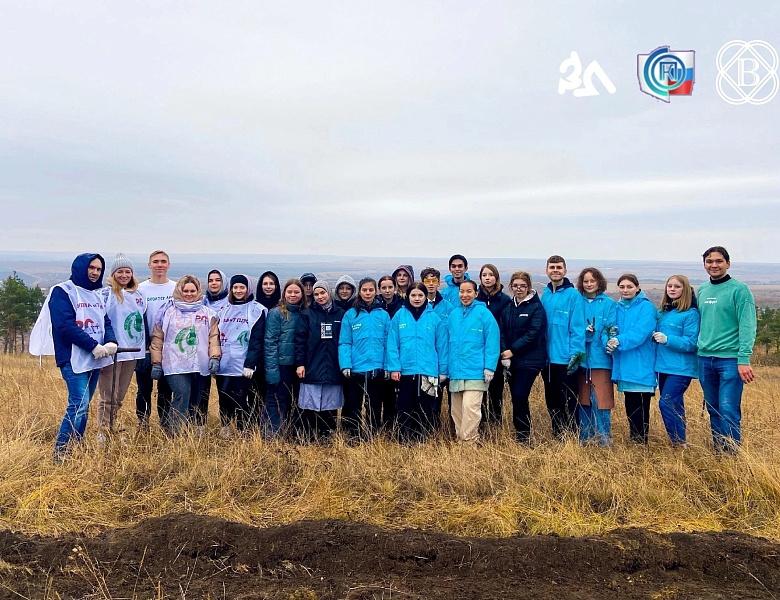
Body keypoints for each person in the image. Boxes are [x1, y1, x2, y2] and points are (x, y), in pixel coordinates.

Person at [43, 253, 118, 462]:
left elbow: (106, 321)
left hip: (96, 357)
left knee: (84, 405)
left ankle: (75, 446)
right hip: (73, 357)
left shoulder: (96, 294)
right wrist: (92, 345)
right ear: (80, 268)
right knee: (78, 403)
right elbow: (64, 326)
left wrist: (111, 341)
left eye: (98, 269)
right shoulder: (62, 291)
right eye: (91, 268)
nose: (94, 272)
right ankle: (61, 453)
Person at [697, 246, 757, 454]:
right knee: (713, 409)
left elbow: (748, 325)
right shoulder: (703, 289)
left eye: (719, 261)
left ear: (728, 263)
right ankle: (719, 452)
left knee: (728, 409)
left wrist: (743, 358)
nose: (714, 265)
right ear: (704, 264)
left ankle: (732, 456)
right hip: (704, 359)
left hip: (730, 360)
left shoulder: (739, 290)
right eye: (709, 261)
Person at [150, 275, 221, 434]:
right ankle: (173, 432)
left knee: (195, 400)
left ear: (198, 291)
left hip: (199, 364)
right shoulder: (167, 312)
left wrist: (215, 357)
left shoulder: (208, 313)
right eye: (186, 290)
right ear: (180, 291)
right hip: (174, 364)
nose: (189, 294)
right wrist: (156, 362)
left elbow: (214, 338)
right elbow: (157, 339)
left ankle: (189, 434)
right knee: (182, 393)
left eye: (192, 291)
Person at [387, 283, 449, 442]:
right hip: (405, 371)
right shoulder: (399, 316)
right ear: (408, 296)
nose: (417, 299)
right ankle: (404, 439)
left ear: (425, 297)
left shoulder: (434, 317)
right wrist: (394, 367)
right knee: (404, 406)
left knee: (426, 407)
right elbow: (392, 344)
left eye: (420, 295)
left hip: (428, 371)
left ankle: (423, 439)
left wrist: (442, 371)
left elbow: (442, 345)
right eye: (413, 295)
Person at [96, 253, 146, 441]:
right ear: (113, 273)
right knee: (107, 395)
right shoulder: (106, 294)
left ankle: (111, 425)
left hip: (131, 353)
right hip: (112, 352)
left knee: (119, 396)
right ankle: (102, 432)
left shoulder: (139, 295)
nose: (124, 275)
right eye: (120, 271)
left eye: (128, 271)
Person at [446, 280, 500, 443]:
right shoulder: (454, 314)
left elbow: (492, 340)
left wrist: (489, 367)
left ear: (476, 294)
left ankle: (468, 444)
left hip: (476, 371)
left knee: (470, 408)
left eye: (469, 291)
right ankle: (461, 440)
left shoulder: (484, 314)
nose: (465, 295)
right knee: (456, 411)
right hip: (456, 371)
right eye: (462, 291)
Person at [338, 277, 391, 441]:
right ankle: (353, 436)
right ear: (359, 292)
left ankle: (371, 436)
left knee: (374, 405)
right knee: (354, 404)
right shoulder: (351, 314)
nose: (368, 293)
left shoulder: (383, 315)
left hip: (377, 367)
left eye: (371, 290)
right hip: (356, 368)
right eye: (364, 290)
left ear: (376, 291)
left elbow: (389, 342)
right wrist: (345, 364)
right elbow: (345, 341)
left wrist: (388, 366)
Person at [540, 255, 586, 440]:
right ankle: (558, 434)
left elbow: (578, 329)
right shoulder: (545, 294)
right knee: (552, 401)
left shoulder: (573, 296)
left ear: (565, 271)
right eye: (552, 267)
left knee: (569, 400)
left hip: (566, 359)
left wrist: (575, 358)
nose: (555, 270)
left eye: (559, 267)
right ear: (547, 270)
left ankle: (573, 436)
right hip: (547, 359)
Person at [608, 274, 657, 445]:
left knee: (641, 407)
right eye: (622, 287)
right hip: (624, 364)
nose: (625, 290)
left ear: (637, 287)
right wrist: (609, 339)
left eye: (629, 286)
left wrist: (619, 341)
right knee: (630, 406)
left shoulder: (647, 308)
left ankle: (641, 442)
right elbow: (611, 328)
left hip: (641, 363)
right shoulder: (617, 307)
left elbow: (641, 333)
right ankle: (635, 440)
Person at [215, 275, 266, 437]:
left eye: (242, 287)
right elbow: (215, 336)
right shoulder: (223, 309)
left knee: (240, 399)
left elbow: (257, 340)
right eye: (235, 287)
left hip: (244, 366)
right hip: (224, 363)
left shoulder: (257, 310)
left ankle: (244, 430)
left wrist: (250, 363)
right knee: (223, 396)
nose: (238, 291)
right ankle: (225, 427)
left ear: (248, 289)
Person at [499, 271, 547, 445]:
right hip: (511, 360)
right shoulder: (508, 308)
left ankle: (524, 436)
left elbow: (533, 333)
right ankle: (520, 433)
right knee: (516, 397)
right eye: (516, 285)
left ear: (529, 287)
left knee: (519, 394)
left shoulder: (536, 308)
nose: (519, 289)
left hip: (531, 359)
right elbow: (501, 331)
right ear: (511, 286)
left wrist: (513, 350)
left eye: (523, 286)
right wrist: (504, 351)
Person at [294, 280, 345, 443]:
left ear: (329, 292)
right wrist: (300, 363)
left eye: (322, 293)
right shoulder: (307, 314)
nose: (320, 296)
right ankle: (308, 437)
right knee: (310, 403)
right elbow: (300, 341)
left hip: (333, 366)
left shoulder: (341, 314)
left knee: (330, 403)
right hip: (312, 366)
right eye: (316, 294)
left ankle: (327, 437)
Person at [654, 275, 700, 447]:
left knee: (666, 403)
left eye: (677, 286)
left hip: (680, 368)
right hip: (662, 367)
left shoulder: (691, 314)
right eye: (669, 286)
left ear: (685, 290)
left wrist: (668, 339)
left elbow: (691, 342)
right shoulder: (664, 312)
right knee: (676, 406)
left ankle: (678, 442)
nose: (672, 289)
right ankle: (681, 443)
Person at [575, 267, 617, 446]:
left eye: (592, 281)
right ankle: (586, 438)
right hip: (582, 361)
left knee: (602, 401)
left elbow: (611, 328)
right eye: (586, 281)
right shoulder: (578, 302)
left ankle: (604, 439)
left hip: (601, 360)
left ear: (599, 282)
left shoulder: (608, 304)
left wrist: (607, 340)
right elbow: (574, 327)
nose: (589, 284)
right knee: (584, 401)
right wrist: (585, 334)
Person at [135, 251, 176, 431]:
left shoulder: (176, 288)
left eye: (163, 261)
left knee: (166, 390)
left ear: (169, 265)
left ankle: (165, 423)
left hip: (168, 348)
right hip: (144, 348)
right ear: (149, 265)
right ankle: (143, 424)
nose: (160, 265)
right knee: (144, 389)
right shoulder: (141, 289)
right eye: (156, 261)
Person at [263, 278, 307, 438]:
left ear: (302, 294)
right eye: (290, 292)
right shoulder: (277, 313)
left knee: (297, 402)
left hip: (300, 367)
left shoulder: (305, 313)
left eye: (296, 292)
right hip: (281, 366)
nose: (293, 295)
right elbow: (270, 343)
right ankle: (271, 435)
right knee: (276, 402)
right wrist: (272, 372)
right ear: (284, 293)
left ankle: (293, 434)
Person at [477, 264, 511, 430]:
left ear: (496, 278)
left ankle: (496, 423)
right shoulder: (476, 299)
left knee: (496, 390)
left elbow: (506, 326)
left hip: (497, 351)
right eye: (484, 275)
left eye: (491, 275)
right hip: (478, 351)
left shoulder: (504, 300)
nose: (487, 278)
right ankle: (481, 423)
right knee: (480, 390)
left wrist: (506, 351)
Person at [197, 269, 229, 431]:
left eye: (218, 280)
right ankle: (200, 425)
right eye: (211, 280)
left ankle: (226, 426)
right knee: (202, 390)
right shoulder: (202, 301)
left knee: (224, 391)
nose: (214, 283)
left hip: (225, 352)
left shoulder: (230, 302)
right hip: (203, 352)